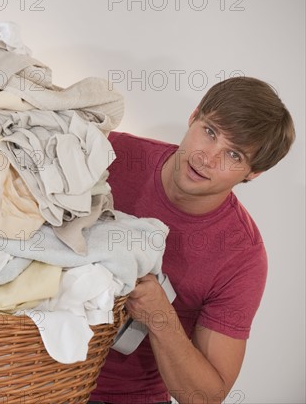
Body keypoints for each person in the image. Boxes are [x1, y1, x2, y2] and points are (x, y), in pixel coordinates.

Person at [89, 76, 295, 404]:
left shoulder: (242, 257)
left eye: (234, 155)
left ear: (253, 173)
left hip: (126, 397)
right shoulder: (112, 154)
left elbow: (205, 397)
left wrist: (161, 318)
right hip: (20, 374)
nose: (207, 158)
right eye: (210, 132)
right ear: (193, 116)